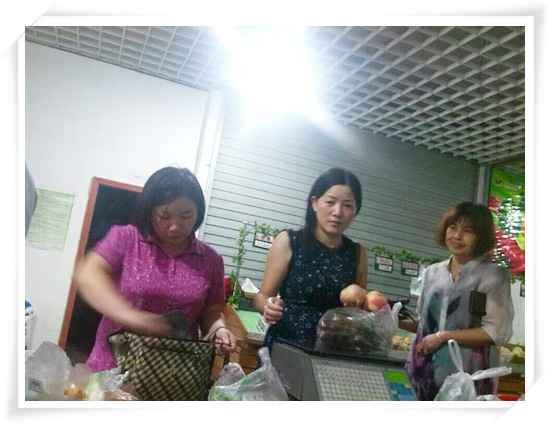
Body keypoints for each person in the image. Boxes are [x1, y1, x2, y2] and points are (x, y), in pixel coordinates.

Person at [74, 166, 237, 372]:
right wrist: (130, 316)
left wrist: (219, 329)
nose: (175, 226)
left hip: (172, 373)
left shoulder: (210, 259)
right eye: (164, 216)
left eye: (186, 216)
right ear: (150, 212)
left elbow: (211, 312)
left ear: (198, 212)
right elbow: (88, 275)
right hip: (114, 365)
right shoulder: (127, 239)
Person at [253, 167, 377, 352]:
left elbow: (357, 309)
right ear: (315, 203)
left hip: (334, 351)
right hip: (287, 346)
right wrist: (268, 306)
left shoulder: (357, 253)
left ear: (355, 210)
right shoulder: (289, 241)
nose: (337, 212)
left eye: (347, 205)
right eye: (330, 202)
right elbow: (261, 296)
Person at [400, 201, 514, 400]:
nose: (457, 236)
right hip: (422, 374)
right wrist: (394, 319)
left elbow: (496, 331)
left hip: (467, 379)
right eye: (452, 227)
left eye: (467, 231)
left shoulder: (492, 275)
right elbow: (425, 325)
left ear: (481, 237)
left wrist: (442, 337)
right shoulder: (432, 272)